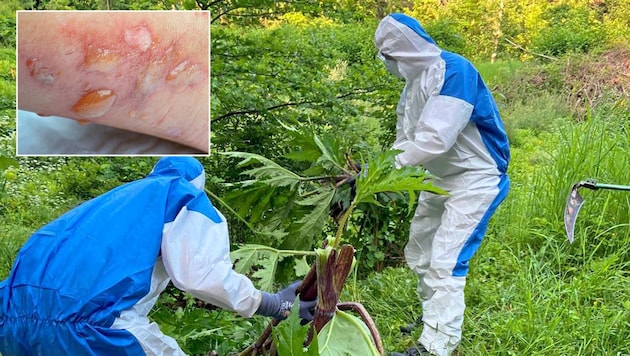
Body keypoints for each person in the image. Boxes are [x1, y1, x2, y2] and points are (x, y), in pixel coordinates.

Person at [0, 156, 316, 355]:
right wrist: (274, 303)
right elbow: (201, 275)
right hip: (94, 328)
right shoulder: (179, 195)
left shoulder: (108, 205)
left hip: (13, 327)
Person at [374, 13, 510, 356]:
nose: (387, 62)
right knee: (419, 252)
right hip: (437, 179)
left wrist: (382, 167)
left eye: (390, 55)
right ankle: (431, 320)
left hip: (476, 177)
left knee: (446, 260)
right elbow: (404, 140)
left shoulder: (454, 70)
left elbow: (434, 139)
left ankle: (436, 346)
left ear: (405, 50)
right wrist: (377, 172)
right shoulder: (411, 88)